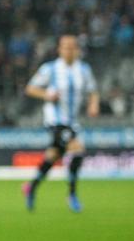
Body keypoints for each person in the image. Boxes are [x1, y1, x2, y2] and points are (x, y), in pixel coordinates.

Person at [22, 34, 99, 212]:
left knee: (53, 156)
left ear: (77, 49)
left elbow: (93, 90)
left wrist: (93, 104)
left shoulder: (84, 70)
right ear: (59, 49)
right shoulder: (50, 69)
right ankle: (72, 195)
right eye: (65, 46)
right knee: (77, 149)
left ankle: (31, 187)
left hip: (73, 121)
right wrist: (46, 95)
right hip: (55, 120)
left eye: (72, 47)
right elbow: (31, 88)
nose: (69, 50)